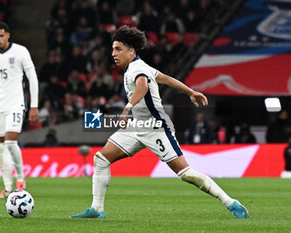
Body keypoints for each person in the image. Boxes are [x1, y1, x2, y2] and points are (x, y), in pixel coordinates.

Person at [71, 26, 249, 219]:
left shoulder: (137, 69)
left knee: (186, 174)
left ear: (131, 50)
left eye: (118, 49)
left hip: (156, 128)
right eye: (113, 49)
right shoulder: (139, 66)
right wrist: (190, 91)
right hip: (137, 126)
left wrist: (127, 109)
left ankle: (231, 203)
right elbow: (165, 79)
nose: (113, 53)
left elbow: (143, 86)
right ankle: (97, 209)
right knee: (101, 159)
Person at [0, 22, 39, 198]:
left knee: (11, 142)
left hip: (15, 103)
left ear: (8, 35)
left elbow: (32, 78)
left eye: (1, 35)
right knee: (0, 147)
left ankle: (21, 181)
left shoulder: (21, 51)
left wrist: (34, 105)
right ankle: (7, 188)